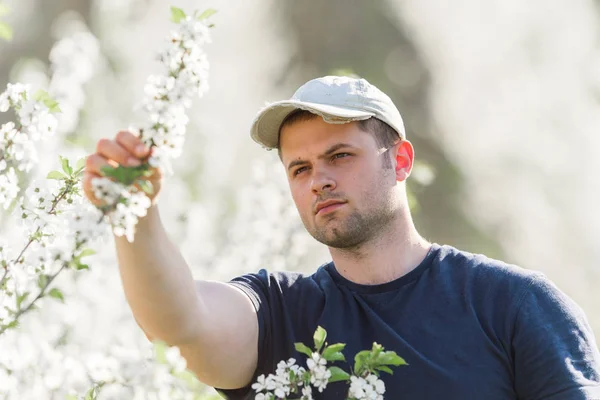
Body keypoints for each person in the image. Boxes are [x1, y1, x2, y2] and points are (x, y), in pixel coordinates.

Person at [83, 76, 600, 399]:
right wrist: (137, 215)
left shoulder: (513, 303)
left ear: (400, 161)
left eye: (340, 156)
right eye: (299, 168)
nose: (318, 180)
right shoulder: (281, 315)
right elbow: (181, 325)